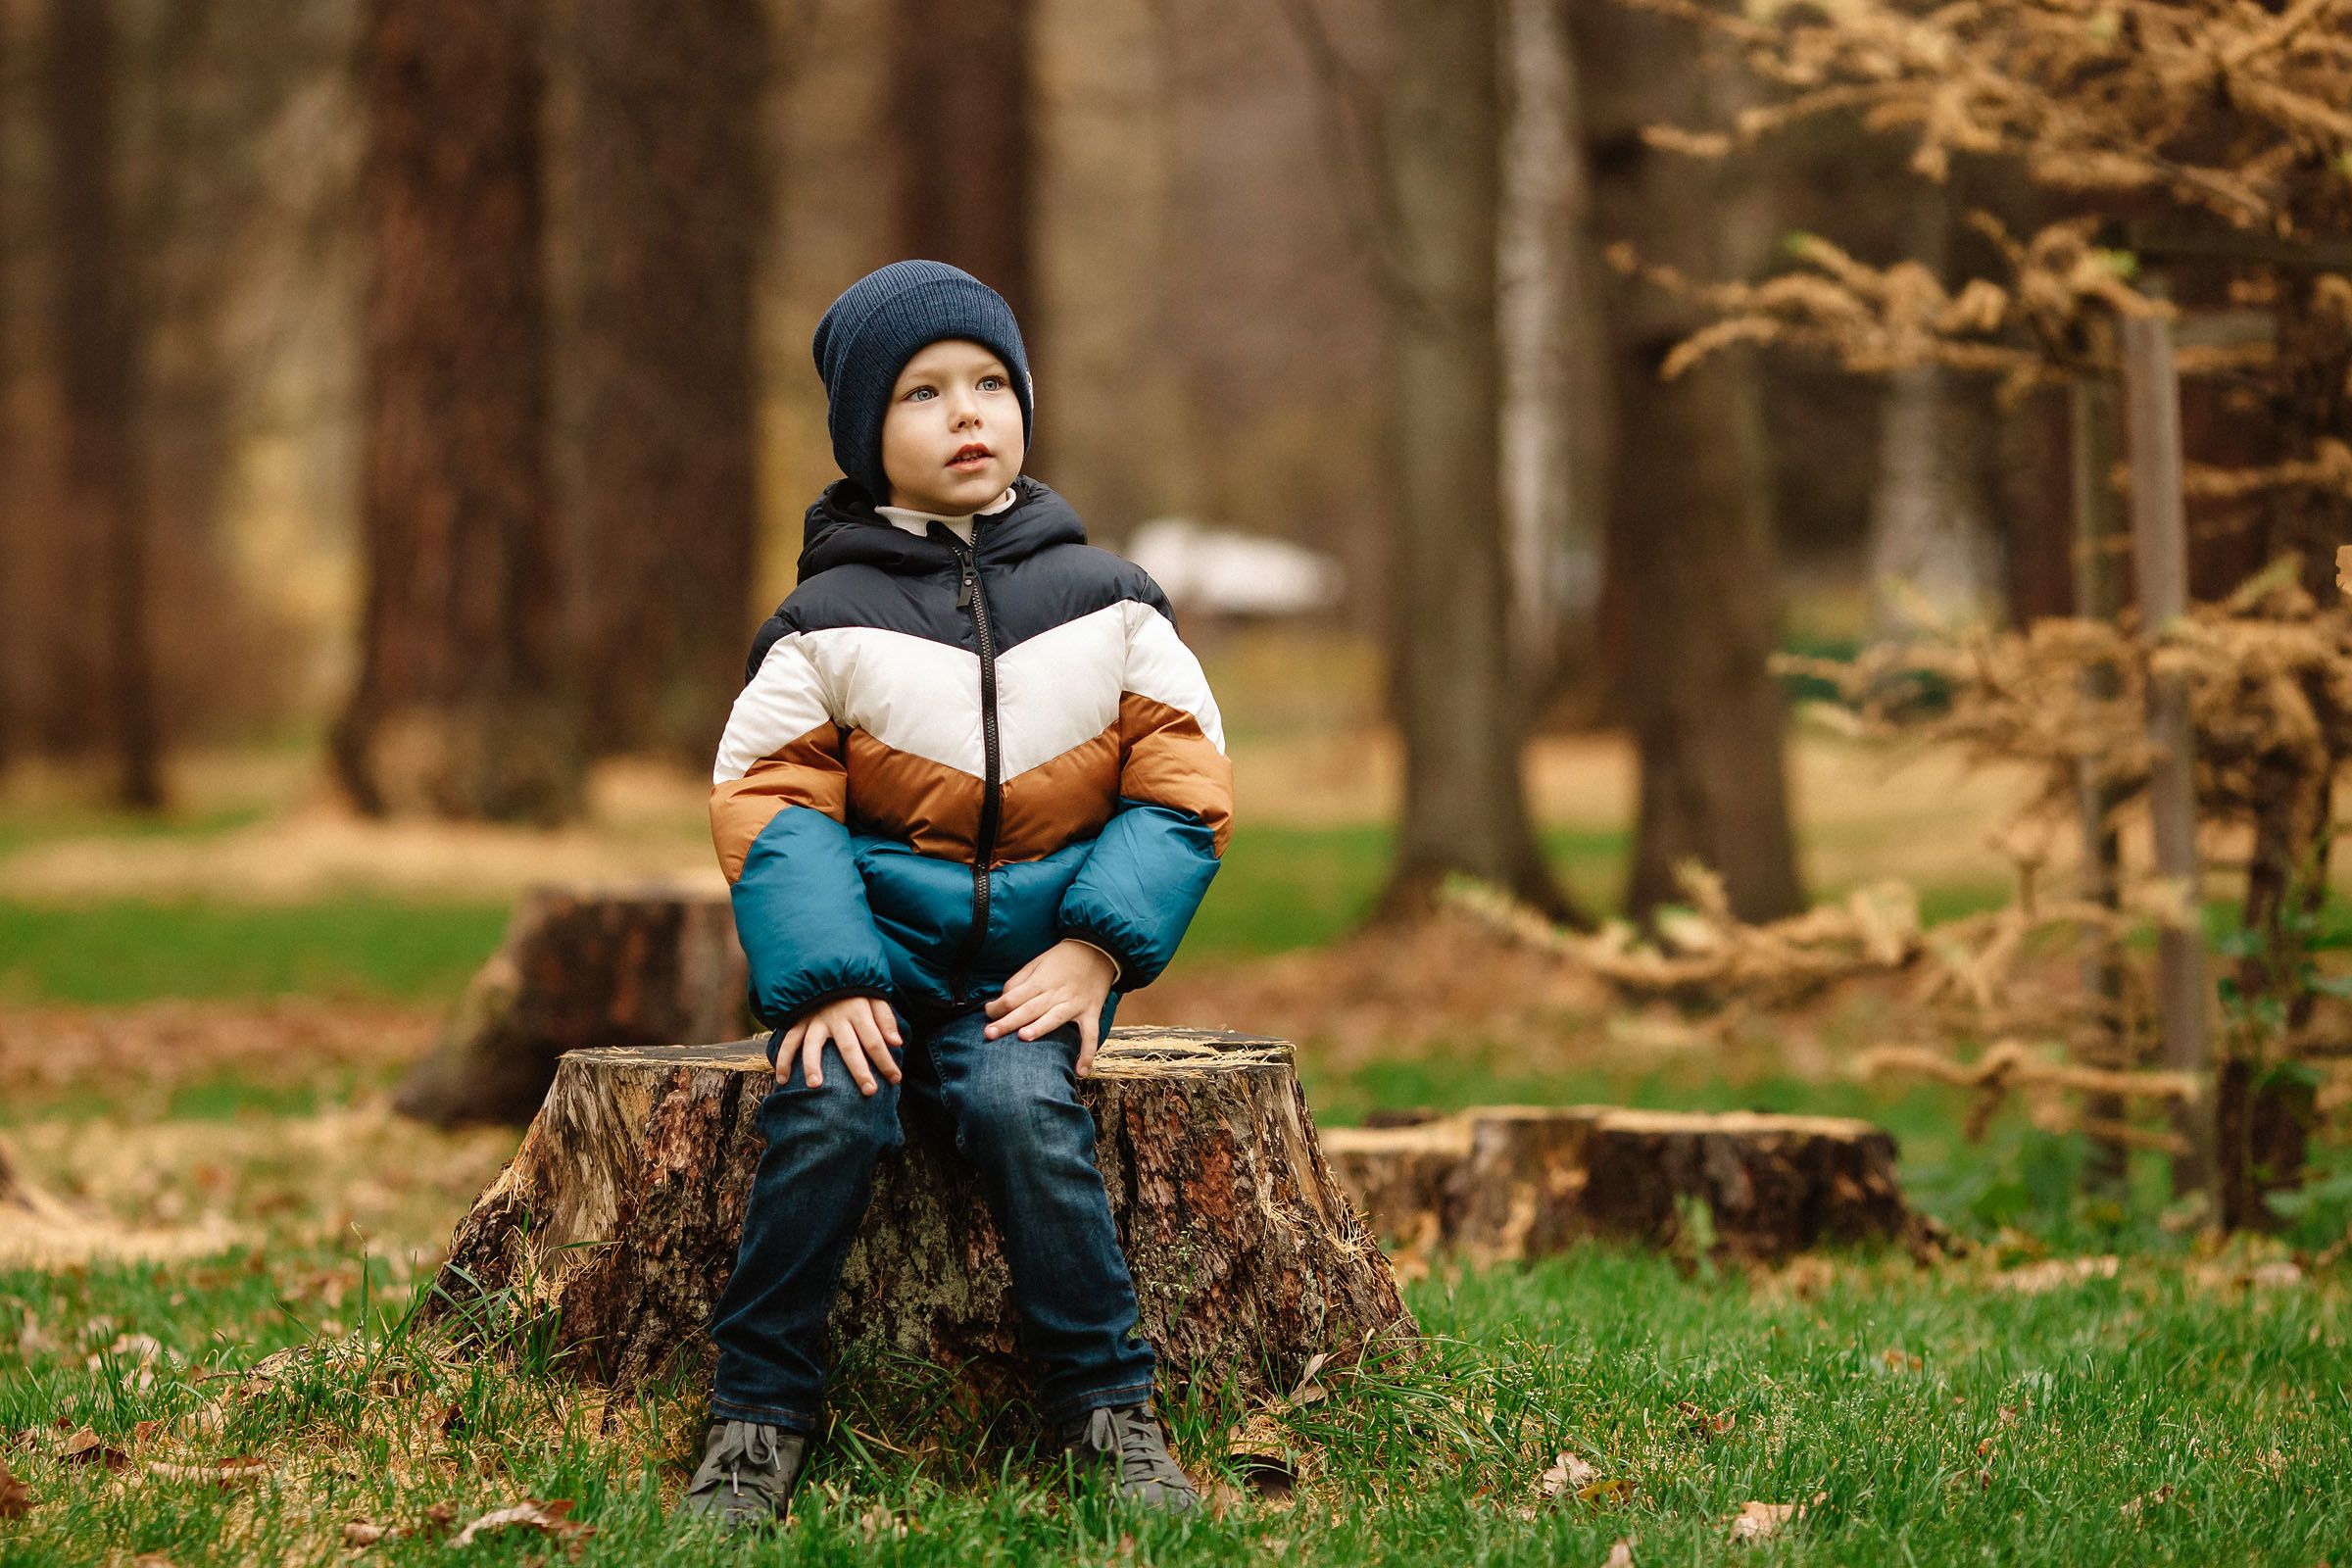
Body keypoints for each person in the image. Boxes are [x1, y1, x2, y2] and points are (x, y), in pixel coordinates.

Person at [677, 260, 1233, 1532]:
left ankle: (1106, 1408)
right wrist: (831, 974)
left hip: (1028, 978)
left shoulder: (1110, 603)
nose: (967, 412)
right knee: (825, 1118)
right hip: (871, 972)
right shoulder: (824, 623)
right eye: (923, 393)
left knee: (1024, 1116)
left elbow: (1184, 784)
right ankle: (757, 1413)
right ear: (865, 435)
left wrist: (1099, 949)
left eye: (990, 382)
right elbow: (770, 799)